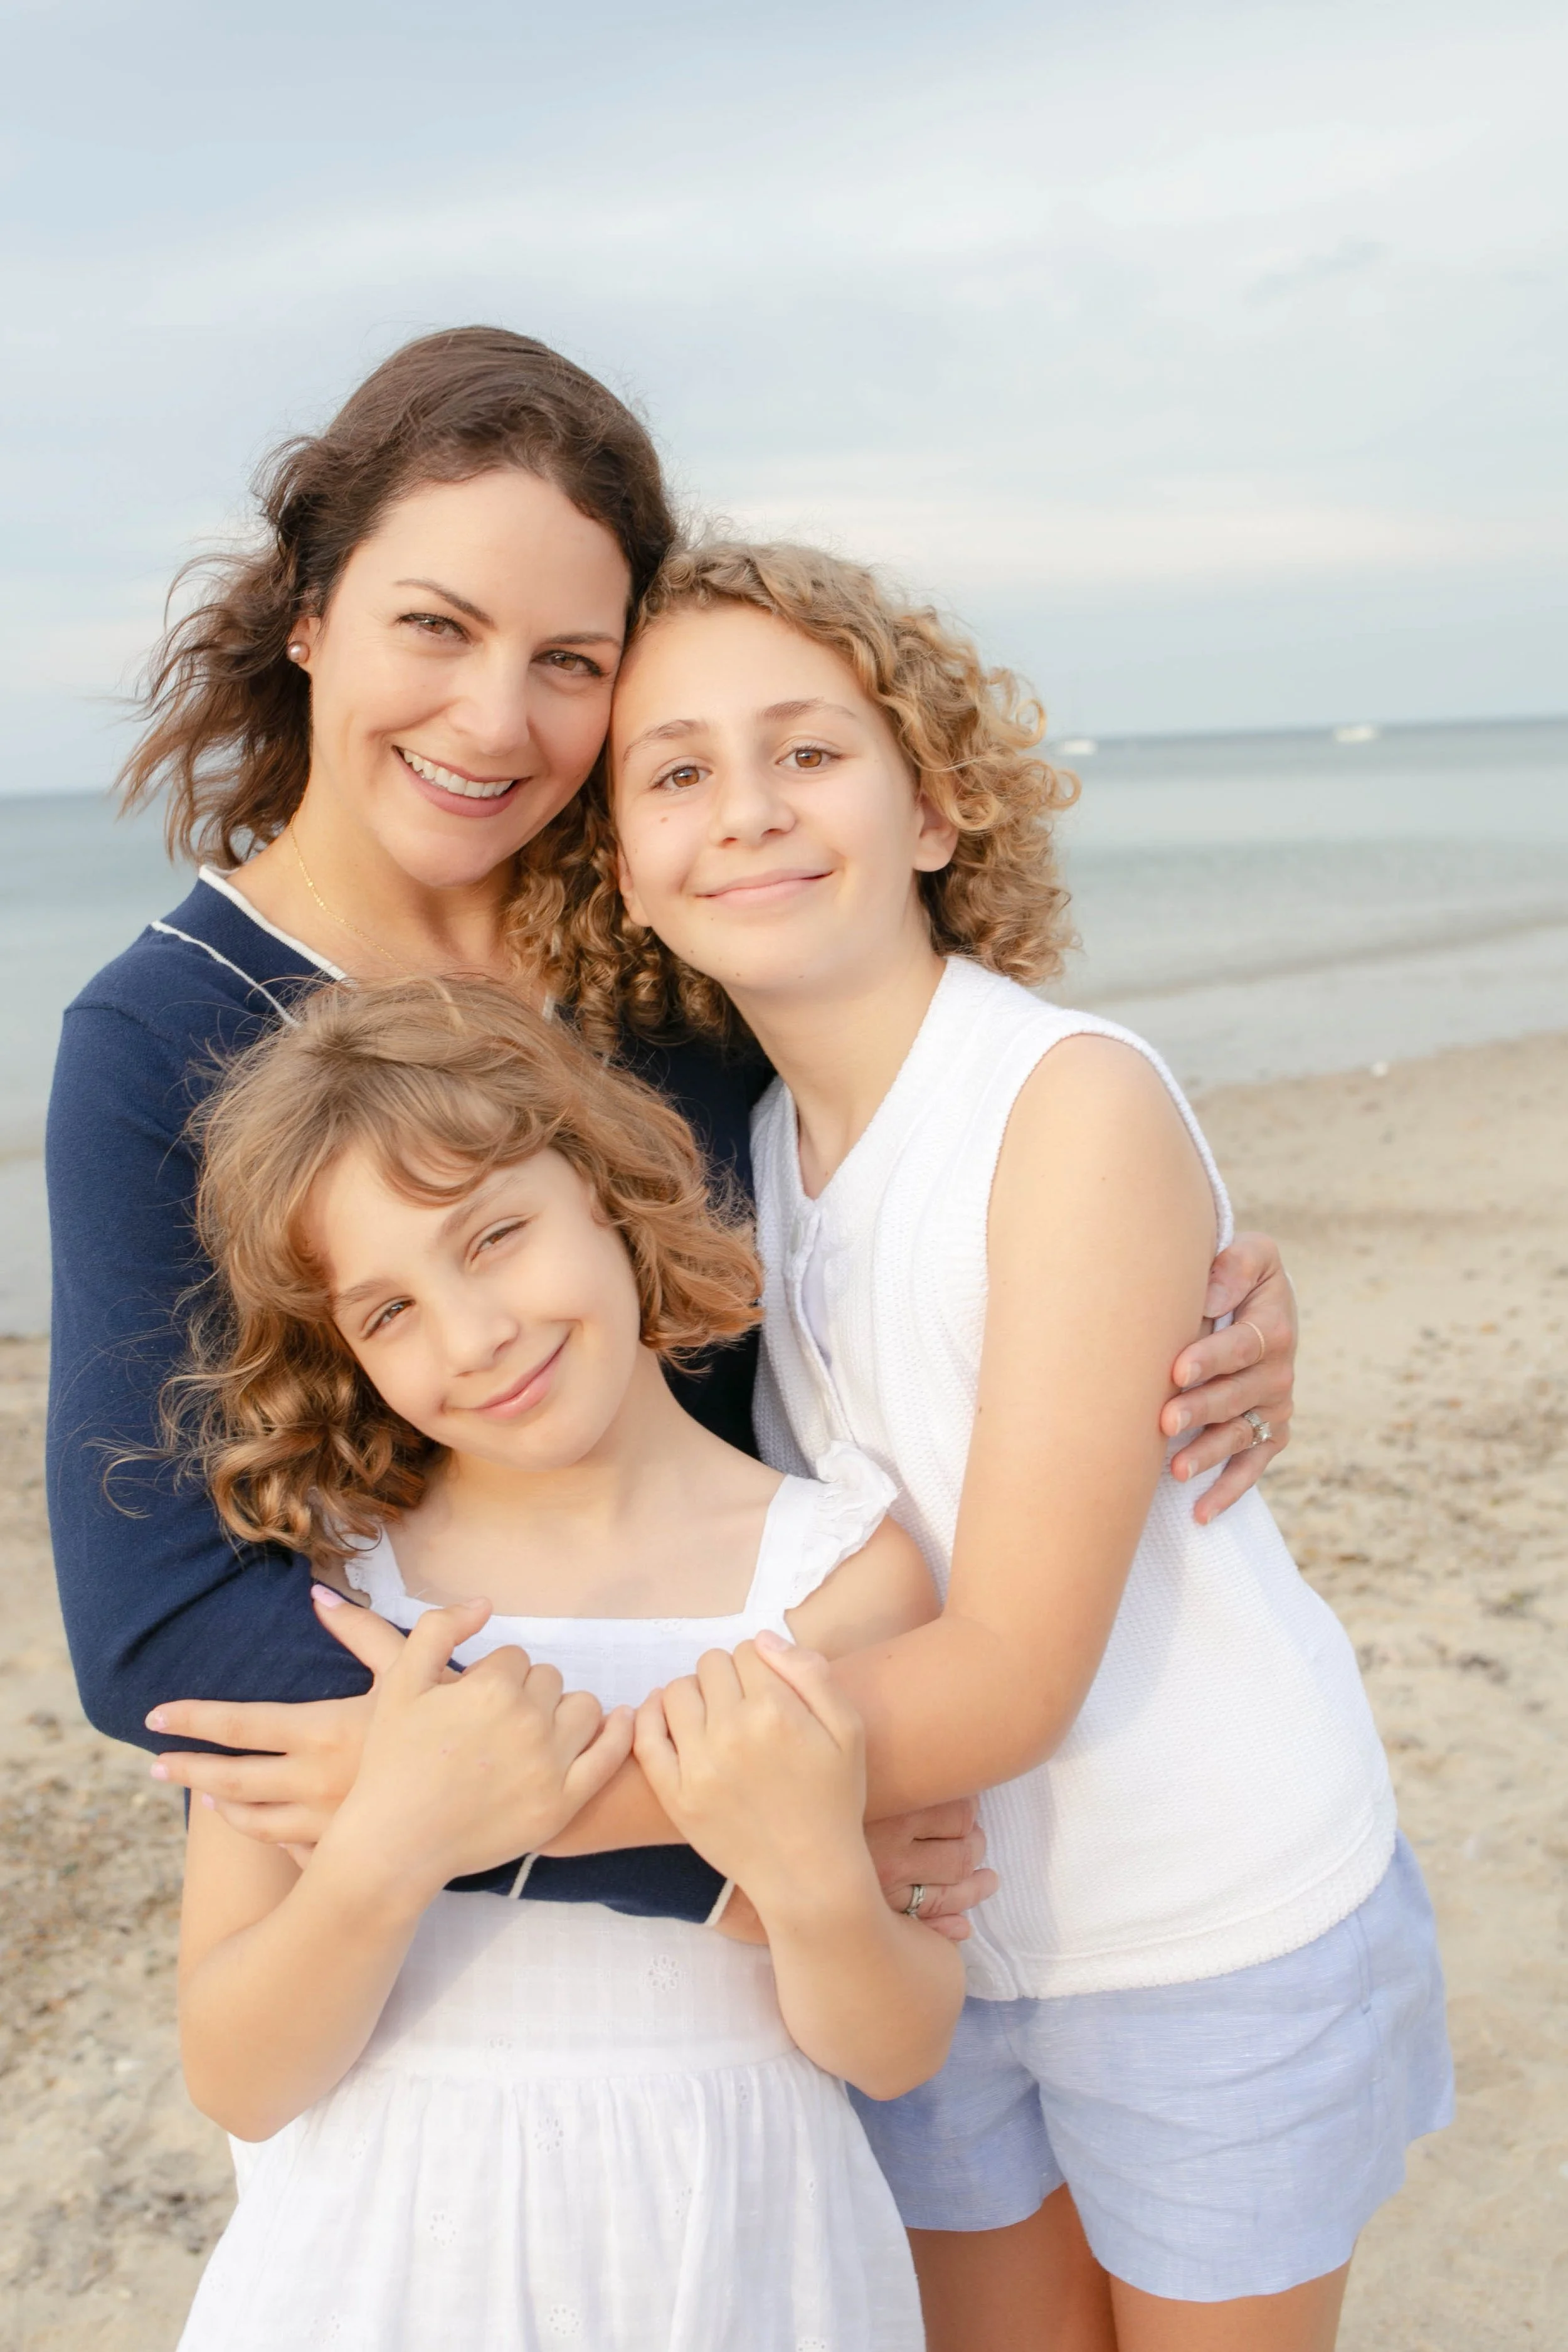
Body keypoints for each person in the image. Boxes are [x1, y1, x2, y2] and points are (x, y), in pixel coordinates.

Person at [50, 327, 1296, 1946]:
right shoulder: (161, 1041)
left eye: (572, 659)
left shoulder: (668, 957)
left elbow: (923, 1194)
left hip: (834, 1825)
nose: (496, 719)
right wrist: (684, 1838)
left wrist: (1197, 1311)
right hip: (504, 1905)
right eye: (434, 625)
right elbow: (156, 1631)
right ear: (307, 616)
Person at [535, 539, 1450, 2352]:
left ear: (934, 803)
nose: (747, 810)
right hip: (929, 1928)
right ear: (626, 871)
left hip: (1208, 1922)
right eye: (676, 770)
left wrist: (516, 1799)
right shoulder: (738, 1174)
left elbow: (1019, 1668)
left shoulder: (1065, 1099)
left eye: (810, 750)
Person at [167, 975, 960, 2350]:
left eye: (495, 1237)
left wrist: (814, 1880)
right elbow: (238, 2077)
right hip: (385, 2269)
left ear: (602, 1185)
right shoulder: (339, 1602)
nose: (474, 1338)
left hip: (735, 2264)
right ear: (342, 1354)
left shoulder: (835, 1578)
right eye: (388, 1312)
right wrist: (390, 1846)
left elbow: (896, 2049)